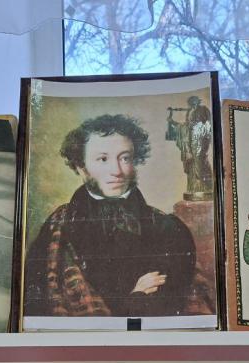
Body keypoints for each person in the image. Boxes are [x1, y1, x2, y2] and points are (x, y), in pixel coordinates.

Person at [23, 114, 196, 318]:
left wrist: (134, 303)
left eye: (125, 158)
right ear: (82, 167)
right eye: (103, 159)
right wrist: (135, 297)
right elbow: (36, 303)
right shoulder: (57, 226)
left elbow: (167, 305)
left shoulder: (167, 227)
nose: (116, 171)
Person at [166, 95, 214, 199]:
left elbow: (207, 125)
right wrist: (172, 122)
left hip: (200, 142)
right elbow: (186, 126)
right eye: (191, 103)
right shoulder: (190, 112)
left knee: (200, 165)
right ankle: (194, 189)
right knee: (192, 166)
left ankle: (204, 188)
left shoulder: (203, 110)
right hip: (191, 143)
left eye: (193, 102)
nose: (192, 104)